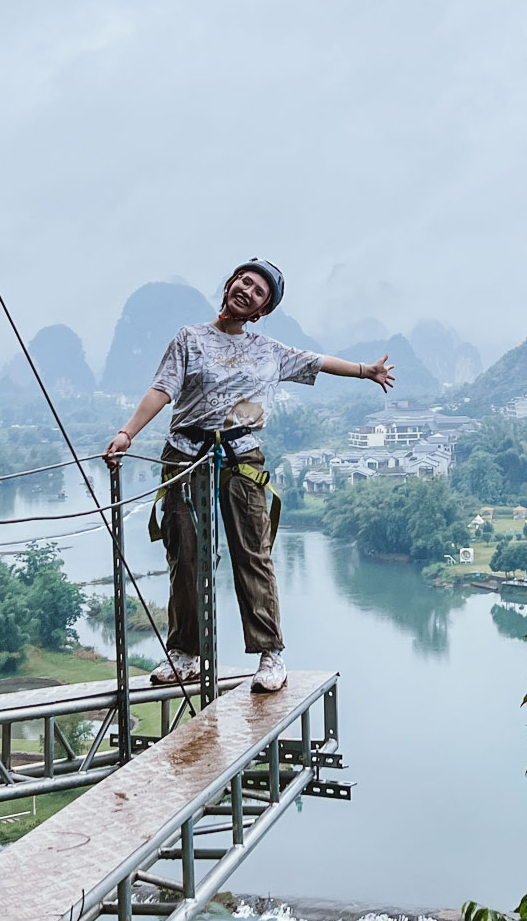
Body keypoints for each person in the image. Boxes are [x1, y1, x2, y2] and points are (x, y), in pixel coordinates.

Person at [103, 259, 395, 693]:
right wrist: (128, 432)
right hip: (186, 454)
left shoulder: (269, 351)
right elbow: (162, 390)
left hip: (241, 456)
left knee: (251, 553)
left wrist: (364, 371)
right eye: (245, 281)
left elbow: (318, 362)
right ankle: (185, 654)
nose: (248, 291)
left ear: (261, 311)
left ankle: (269, 653)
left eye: (259, 292)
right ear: (229, 284)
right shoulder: (189, 338)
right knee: (184, 553)